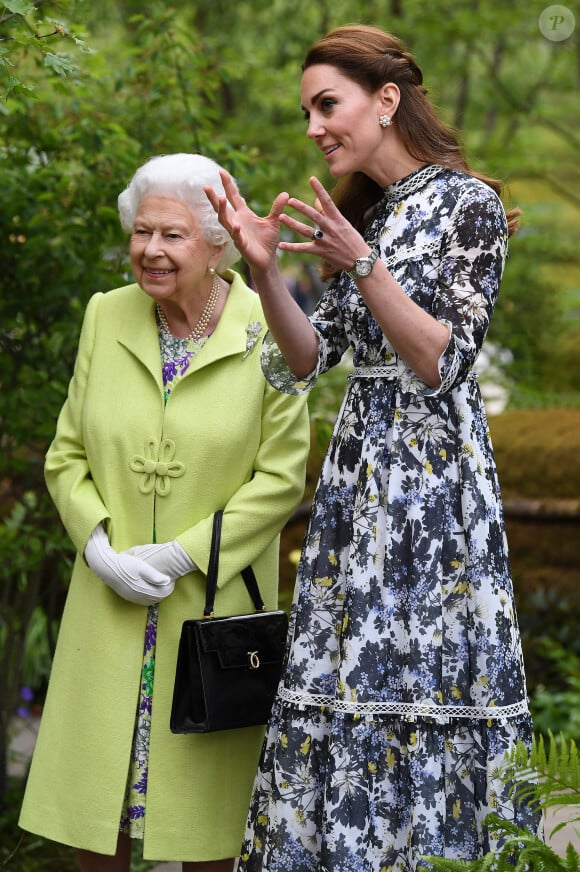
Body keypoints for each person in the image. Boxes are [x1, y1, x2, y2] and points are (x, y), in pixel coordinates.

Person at [205, 24, 542, 872]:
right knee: (347, 679)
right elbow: (307, 361)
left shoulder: (467, 205)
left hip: (434, 489)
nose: (315, 126)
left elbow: (443, 359)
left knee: (424, 682)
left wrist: (363, 265)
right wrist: (263, 272)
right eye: (308, 111)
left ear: (386, 99)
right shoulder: (372, 216)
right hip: (361, 481)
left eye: (329, 104)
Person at [18, 153, 310, 871]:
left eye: (172, 236)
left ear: (217, 242)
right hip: (110, 608)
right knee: (99, 822)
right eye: (141, 231)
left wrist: (184, 553)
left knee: (208, 832)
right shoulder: (104, 314)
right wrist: (98, 548)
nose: (150, 250)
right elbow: (66, 455)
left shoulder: (269, 327)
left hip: (208, 615)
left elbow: (281, 478)